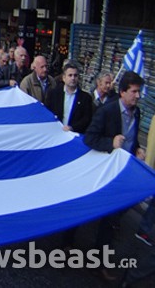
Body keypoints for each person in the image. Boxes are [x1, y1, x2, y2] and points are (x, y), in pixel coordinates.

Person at [84, 71, 145, 281]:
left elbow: (132, 138)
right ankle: (97, 263)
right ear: (122, 92)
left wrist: (137, 148)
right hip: (106, 172)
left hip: (124, 172)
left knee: (113, 218)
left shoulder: (136, 113)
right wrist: (110, 143)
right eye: (134, 92)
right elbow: (90, 138)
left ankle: (101, 254)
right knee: (108, 219)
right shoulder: (107, 111)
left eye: (139, 92)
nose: (138, 96)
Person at [44, 62, 93, 133]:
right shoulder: (53, 94)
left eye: (75, 75)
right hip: (54, 132)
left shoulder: (85, 98)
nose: (73, 78)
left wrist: (72, 128)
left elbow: (86, 119)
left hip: (73, 135)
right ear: (64, 78)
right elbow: (47, 112)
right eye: (70, 75)